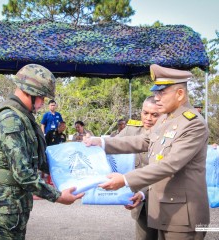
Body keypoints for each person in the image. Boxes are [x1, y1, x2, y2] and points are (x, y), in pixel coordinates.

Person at [84, 64, 209, 240]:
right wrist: (102, 142)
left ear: (180, 94)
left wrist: (126, 180)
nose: (156, 98)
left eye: (162, 92)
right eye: (156, 92)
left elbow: (170, 164)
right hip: (164, 210)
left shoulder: (193, 123)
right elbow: (143, 140)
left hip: (183, 216)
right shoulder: (167, 118)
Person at [0, 64, 84, 239]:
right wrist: (58, 196)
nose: (43, 102)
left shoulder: (23, 117)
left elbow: (38, 158)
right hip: (3, 207)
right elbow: (23, 174)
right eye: (41, 97)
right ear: (30, 92)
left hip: (13, 205)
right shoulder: (10, 119)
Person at [117, 96, 160, 240]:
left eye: (154, 115)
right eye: (145, 113)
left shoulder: (170, 133)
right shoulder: (132, 130)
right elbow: (111, 146)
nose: (148, 118)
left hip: (164, 200)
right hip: (141, 204)